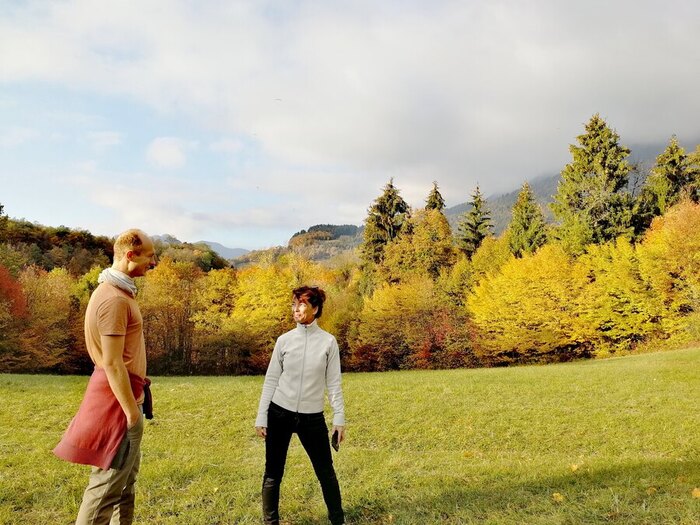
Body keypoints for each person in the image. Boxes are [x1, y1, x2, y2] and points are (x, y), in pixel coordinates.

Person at [54, 229, 157, 525]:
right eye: (150, 256)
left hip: (125, 396)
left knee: (123, 485)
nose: (154, 263)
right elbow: (112, 363)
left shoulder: (117, 292)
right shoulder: (113, 299)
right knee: (104, 490)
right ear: (130, 255)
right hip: (117, 403)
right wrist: (131, 414)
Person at [255, 285, 346, 525]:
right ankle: (270, 522)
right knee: (273, 473)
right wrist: (261, 416)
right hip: (279, 413)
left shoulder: (328, 342)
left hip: (312, 418)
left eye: (303, 304)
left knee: (326, 473)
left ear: (315, 309)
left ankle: (338, 521)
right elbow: (271, 379)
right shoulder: (284, 341)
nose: (297, 308)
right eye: (294, 303)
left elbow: (334, 383)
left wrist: (339, 419)